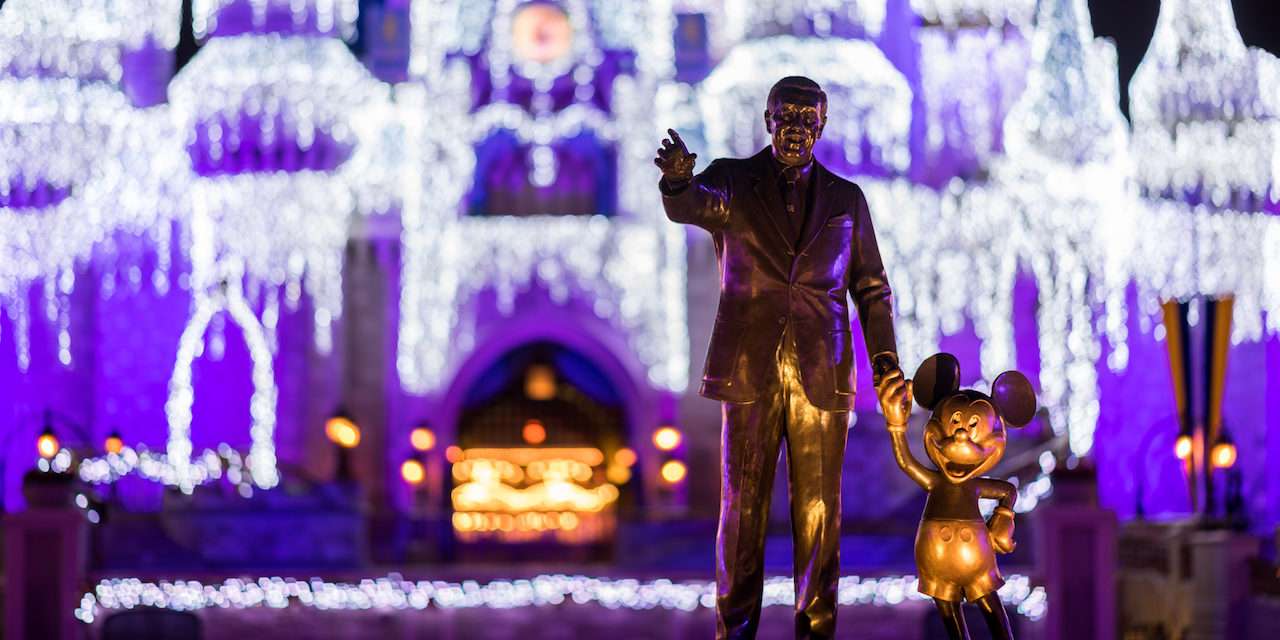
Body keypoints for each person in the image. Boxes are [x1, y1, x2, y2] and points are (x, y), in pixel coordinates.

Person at [654, 76, 900, 639]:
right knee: (741, 514)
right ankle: (733, 631)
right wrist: (678, 182)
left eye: (807, 119)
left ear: (823, 125)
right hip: (748, 369)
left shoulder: (846, 199)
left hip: (823, 371)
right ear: (766, 120)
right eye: (785, 116)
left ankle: (816, 631)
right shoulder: (733, 180)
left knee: (820, 518)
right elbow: (694, 204)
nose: (795, 129)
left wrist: (885, 362)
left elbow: (872, 289)